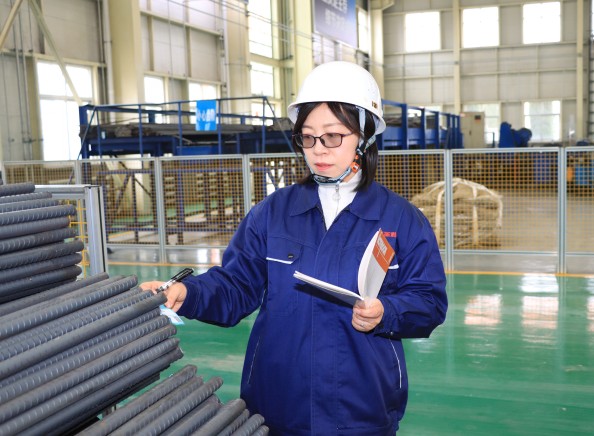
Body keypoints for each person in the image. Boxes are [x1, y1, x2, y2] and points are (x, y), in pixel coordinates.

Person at [140, 61, 447, 435]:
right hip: (279, 405)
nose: (318, 150)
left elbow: (429, 302)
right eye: (308, 137)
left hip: (361, 408)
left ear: (365, 136)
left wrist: (387, 311)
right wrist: (187, 292)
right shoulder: (273, 214)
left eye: (333, 136)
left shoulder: (401, 220)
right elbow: (236, 286)